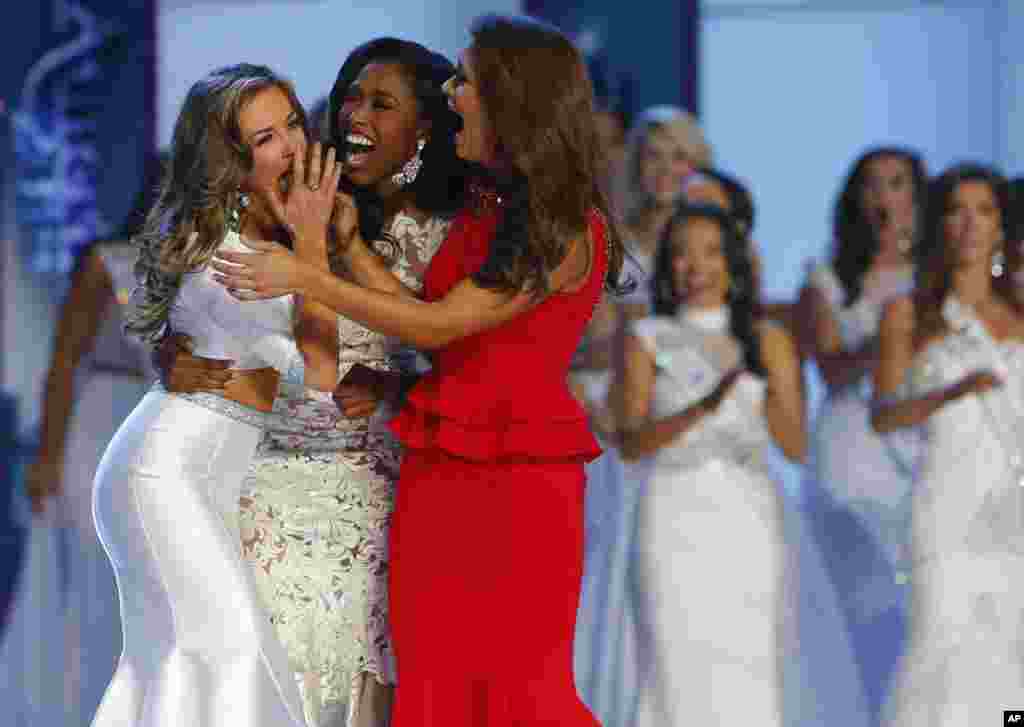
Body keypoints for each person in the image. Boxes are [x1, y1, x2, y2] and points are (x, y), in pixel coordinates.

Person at [209, 14, 624, 726]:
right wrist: (351, 247)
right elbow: (433, 318)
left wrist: (301, 272)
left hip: (519, 476)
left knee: (518, 683)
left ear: (510, 98)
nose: (452, 92)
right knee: (435, 677)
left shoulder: (563, 224)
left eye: (464, 80)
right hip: (441, 465)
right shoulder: (490, 206)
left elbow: (441, 324)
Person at [156, 38, 467, 727]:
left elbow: (462, 354)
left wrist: (396, 389)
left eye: (380, 103)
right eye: (349, 96)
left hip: (386, 499)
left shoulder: (448, 231)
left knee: (367, 687)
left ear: (423, 130)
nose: (353, 115)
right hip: (271, 489)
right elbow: (239, 351)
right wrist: (176, 362)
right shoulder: (278, 215)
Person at [90, 63, 343, 727]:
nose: (290, 146)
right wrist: (313, 241)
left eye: (292, 124)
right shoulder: (235, 252)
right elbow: (319, 376)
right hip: (165, 472)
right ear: (230, 160)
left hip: (211, 473)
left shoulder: (270, 233)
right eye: (265, 139)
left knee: (192, 658)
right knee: (225, 650)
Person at [616, 204, 804, 725]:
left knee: (747, 662)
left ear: (733, 263)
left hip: (746, 514)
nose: (695, 266)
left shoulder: (766, 340)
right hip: (673, 510)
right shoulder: (645, 337)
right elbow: (630, 442)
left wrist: (772, 382)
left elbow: (795, 445)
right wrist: (702, 407)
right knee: (675, 662)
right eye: (681, 254)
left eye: (710, 252)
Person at [1, 160, 162, 727]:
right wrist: (47, 454)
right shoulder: (106, 262)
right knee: (93, 569)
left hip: (154, 427)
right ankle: (76, 702)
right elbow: (64, 360)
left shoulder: (202, 273)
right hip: (97, 420)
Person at [874, 164, 1024, 726]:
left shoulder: (1020, 312)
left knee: (1010, 657)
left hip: (1013, 504)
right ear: (939, 224)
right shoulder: (908, 314)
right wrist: (951, 391)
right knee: (941, 649)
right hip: (947, 504)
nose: (970, 224)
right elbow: (883, 417)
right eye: (957, 210)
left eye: (984, 211)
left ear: (1002, 226)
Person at [796, 145, 928, 718]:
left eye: (896, 184)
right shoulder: (828, 279)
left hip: (923, 439)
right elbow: (828, 366)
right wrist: (893, 336)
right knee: (855, 596)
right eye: (871, 185)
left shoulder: (940, 278)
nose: (884, 198)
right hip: (851, 443)